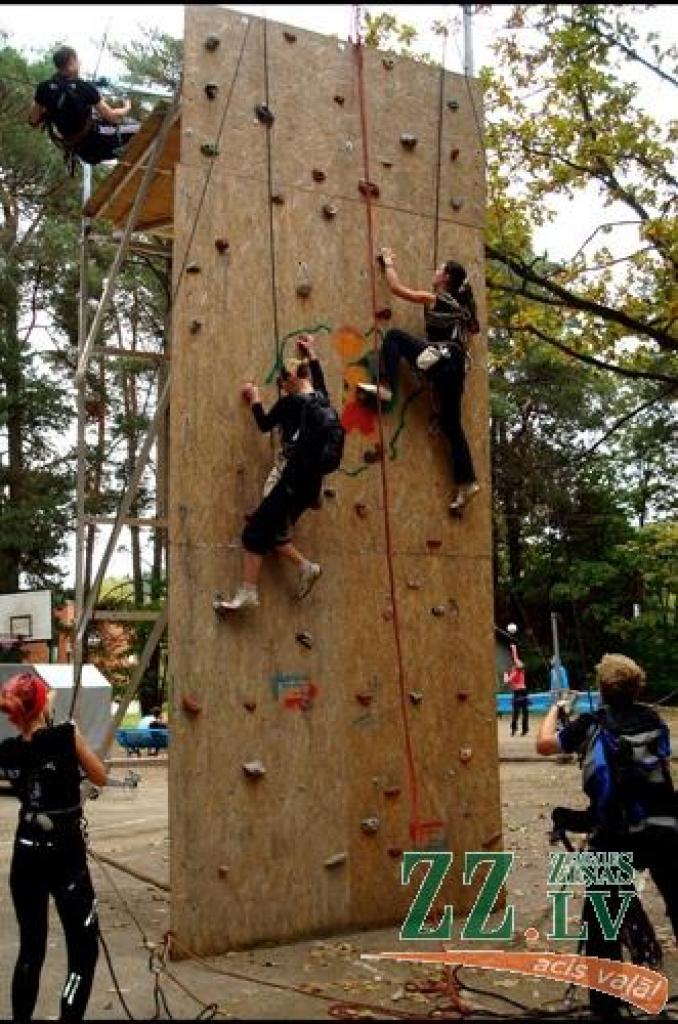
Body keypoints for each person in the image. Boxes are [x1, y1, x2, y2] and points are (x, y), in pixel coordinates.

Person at [536, 654, 678, 1020]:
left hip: (614, 833)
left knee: (602, 925)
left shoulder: (591, 723)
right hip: (665, 829)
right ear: (637, 686)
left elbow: (545, 744)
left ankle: (607, 1007)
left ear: (601, 689)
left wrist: (555, 709)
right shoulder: (653, 721)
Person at [0, 672, 108, 1022]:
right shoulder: (65, 735)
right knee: (83, 949)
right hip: (65, 856)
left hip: (26, 853)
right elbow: (99, 776)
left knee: (31, 950)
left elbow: (32, 746)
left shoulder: (8, 752)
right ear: (42, 704)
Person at [214, 334, 341, 613]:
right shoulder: (322, 400)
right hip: (309, 484)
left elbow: (263, 424)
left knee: (254, 533)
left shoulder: (290, 403)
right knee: (274, 532)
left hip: (288, 479)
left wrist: (256, 398)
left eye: (282, 383)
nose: (282, 388)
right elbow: (318, 377)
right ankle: (306, 567)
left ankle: (249, 592)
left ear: (290, 380)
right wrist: (312, 353)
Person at [358, 248, 481, 514]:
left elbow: (397, 289)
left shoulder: (436, 299)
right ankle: (467, 481)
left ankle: (386, 387)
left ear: (445, 277)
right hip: (455, 369)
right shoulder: (462, 311)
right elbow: (474, 329)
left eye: (439, 269)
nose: (434, 272)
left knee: (394, 338)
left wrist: (388, 262)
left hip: (443, 361)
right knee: (452, 426)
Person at [29, 46, 140, 167]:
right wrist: (127, 108)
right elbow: (111, 116)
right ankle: (125, 153)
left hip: (80, 150)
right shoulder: (84, 88)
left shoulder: (43, 88)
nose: (80, 63)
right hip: (97, 141)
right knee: (141, 128)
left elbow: (33, 120)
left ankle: (123, 154)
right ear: (71, 62)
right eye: (77, 61)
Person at [504, 644, 529, 736]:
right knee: (521, 712)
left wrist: (514, 649)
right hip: (520, 691)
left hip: (519, 692)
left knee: (518, 711)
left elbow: (506, 681)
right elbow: (507, 681)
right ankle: (520, 729)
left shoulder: (517, 670)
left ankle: (517, 729)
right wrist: (514, 649)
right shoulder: (516, 671)